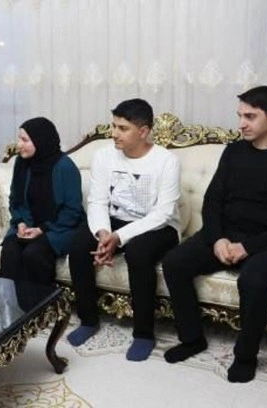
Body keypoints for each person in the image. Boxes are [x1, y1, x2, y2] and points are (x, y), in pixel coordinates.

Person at [162, 86, 267, 382]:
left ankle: (245, 356)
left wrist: (247, 246)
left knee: (254, 279)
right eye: (240, 116)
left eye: (250, 116)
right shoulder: (234, 151)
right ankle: (192, 339)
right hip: (227, 236)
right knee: (175, 262)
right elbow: (213, 201)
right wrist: (218, 239)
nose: (242, 124)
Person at [66, 99, 181, 362]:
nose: (114, 133)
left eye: (123, 128)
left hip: (159, 226)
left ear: (143, 131)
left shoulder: (166, 161)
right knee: (78, 245)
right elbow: (97, 202)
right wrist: (103, 234)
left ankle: (144, 334)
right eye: (114, 126)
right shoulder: (103, 156)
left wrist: (119, 238)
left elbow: (162, 213)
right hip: (115, 221)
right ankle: (88, 320)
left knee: (139, 254)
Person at [0, 117, 84, 285]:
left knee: (34, 253)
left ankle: (40, 300)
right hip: (27, 224)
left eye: (25, 140)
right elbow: (15, 199)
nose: (19, 145)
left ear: (41, 141)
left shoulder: (65, 167)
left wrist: (41, 229)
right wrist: (20, 222)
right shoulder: (21, 163)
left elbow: (72, 211)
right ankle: (9, 299)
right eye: (19, 139)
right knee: (10, 250)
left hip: (59, 228)